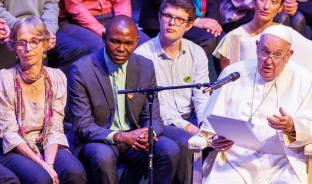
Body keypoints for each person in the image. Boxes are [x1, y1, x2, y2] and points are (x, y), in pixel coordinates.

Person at [197, 25, 312, 183]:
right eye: (265, 52)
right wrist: (214, 139)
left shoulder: (306, 81)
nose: (269, 61)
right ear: (257, 48)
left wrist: (292, 127)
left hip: (285, 161)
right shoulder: (233, 73)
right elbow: (210, 124)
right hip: (235, 159)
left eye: (277, 55)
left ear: (288, 56)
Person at [67, 15, 186, 184]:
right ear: (103, 38)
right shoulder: (81, 70)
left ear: (136, 42)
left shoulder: (145, 66)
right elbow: (83, 126)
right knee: (103, 157)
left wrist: (148, 133)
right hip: (101, 137)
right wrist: (121, 136)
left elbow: (153, 116)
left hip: (134, 135)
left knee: (169, 149)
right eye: (115, 41)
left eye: (128, 43)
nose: (121, 48)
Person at [0, 16, 86, 184]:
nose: (28, 48)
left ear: (45, 45)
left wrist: (49, 163)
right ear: (14, 47)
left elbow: (55, 127)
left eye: (34, 42)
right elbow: (9, 133)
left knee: (74, 172)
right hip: (15, 148)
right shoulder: (4, 79)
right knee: (41, 178)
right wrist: (43, 165)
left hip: (46, 143)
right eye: (22, 42)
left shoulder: (57, 78)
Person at [135, 0, 210, 136]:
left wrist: (205, 126)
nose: (172, 22)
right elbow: (156, 107)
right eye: (168, 16)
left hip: (191, 116)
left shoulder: (197, 52)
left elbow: (202, 97)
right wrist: (189, 128)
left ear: (188, 25)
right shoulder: (143, 55)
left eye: (180, 19)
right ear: (159, 17)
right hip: (161, 121)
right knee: (186, 141)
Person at [0, 0, 88, 74]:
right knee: (12, 51)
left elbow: (51, 4)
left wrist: (48, 31)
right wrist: (22, 28)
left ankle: (53, 88)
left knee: (76, 50)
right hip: (11, 26)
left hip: (40, 26)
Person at [213, 0, 284, 70]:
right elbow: (231, 76)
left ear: (280, 7)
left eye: (273, 2)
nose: (266, 6)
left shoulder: (285, 35)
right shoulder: (234, 37)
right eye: (262, 0)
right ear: (253, 2)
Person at [60, 0, 150, 52]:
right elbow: (74, 7)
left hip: (110, 16)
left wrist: (122, 23)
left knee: (145, 43)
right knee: (104, 48)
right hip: (80, 21)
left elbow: (122, 2)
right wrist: (102, 30)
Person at [219, 0, 309, 36]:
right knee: (281, 17)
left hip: (273, 8)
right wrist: (276, 3)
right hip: (236, 17)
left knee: (298, 18)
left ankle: (300, 62)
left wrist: (290, 3)